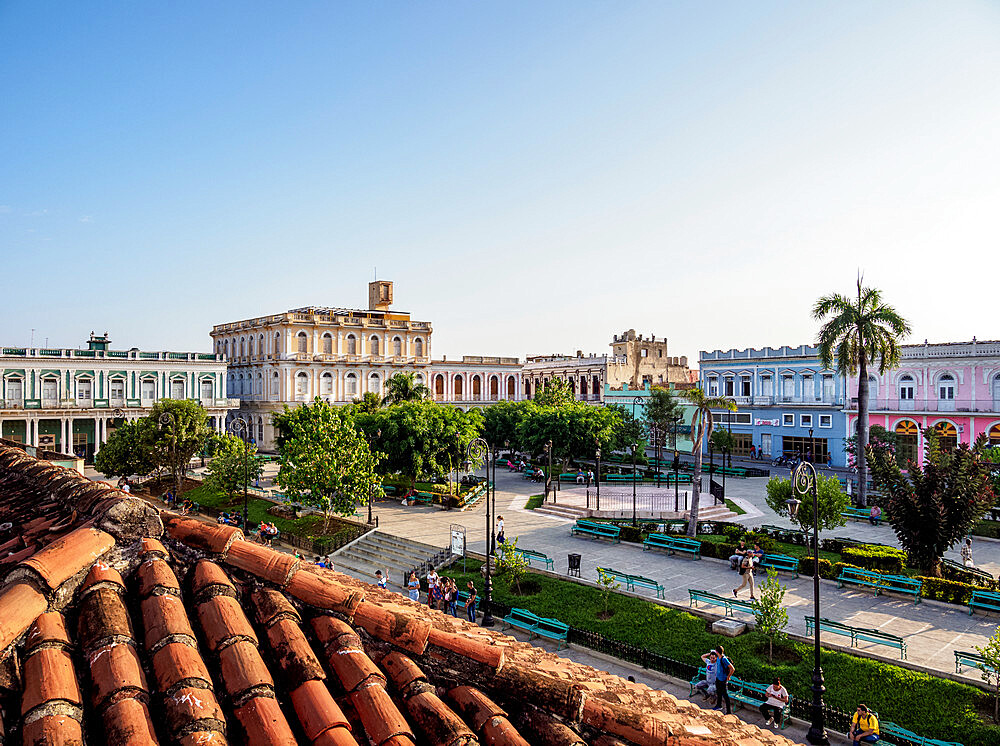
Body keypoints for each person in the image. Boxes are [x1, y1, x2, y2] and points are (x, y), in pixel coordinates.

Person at [712, 645, 735, 714]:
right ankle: (719, 705)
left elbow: (732, 668)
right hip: (718, 678)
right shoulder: (718, 657)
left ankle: (728, 711)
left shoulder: (724, 659)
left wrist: (728, 676)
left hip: (723, 680)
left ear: (717, 651)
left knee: (725, 695)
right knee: (718, 693)